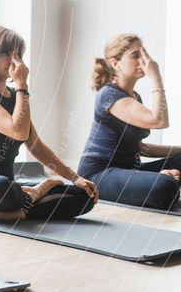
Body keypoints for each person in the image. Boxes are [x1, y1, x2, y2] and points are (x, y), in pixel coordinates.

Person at [0, 24, 98, 222]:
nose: (15, 61)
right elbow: (18, 132)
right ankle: (36, 192)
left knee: (84, 196)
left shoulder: (16, 96)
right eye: (6, 53)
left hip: (13, 188)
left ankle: (20, 212)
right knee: (1, 188)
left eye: (18, 54)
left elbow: (36, 146)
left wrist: (76, 178)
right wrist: (22, 85)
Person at [77, 34, 181, 210]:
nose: (143, 60)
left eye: (143, 53)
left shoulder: (134, 98)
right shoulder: (109, 95)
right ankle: (164, 180)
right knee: (165, 187)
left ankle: (163, 179)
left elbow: (140, 148)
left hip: (130, 169)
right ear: (115, 63)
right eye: (135, 55)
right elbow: (159, 121)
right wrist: (156, 77)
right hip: (98, 174)